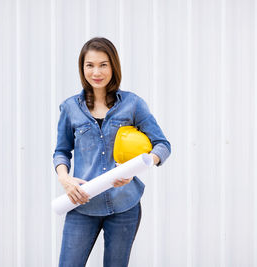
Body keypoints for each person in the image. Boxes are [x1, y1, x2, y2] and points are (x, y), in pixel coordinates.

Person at [53, 37, 171, 267]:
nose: (96, 71)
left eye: (103, 64)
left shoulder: (133, 104)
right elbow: (61, 150)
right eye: (90, 65)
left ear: (113, 66)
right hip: (82, 203)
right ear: (82, 67)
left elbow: (162, 145)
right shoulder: (70, 108)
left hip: (124, 206)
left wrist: (137, 166)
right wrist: (64, 178)